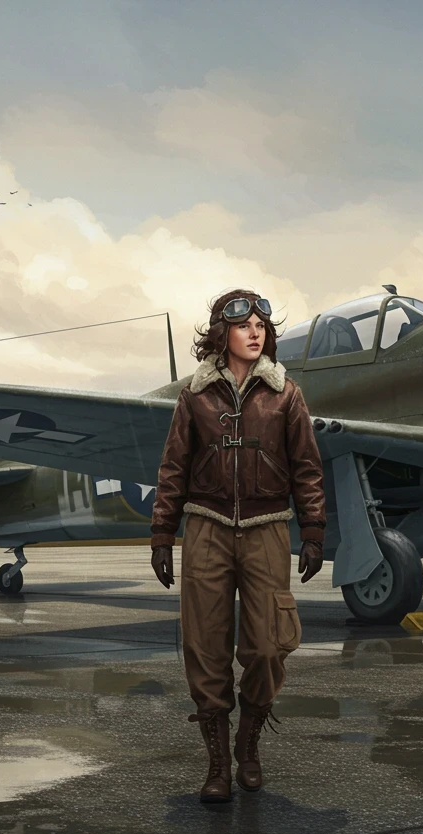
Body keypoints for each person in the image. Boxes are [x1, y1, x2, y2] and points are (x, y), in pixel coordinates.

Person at [150, 287, 326, 804]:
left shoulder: (286, 394)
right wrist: (163, 533)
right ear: (221, 333)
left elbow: (308, 468)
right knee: (204, 647)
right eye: (243, 324)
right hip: (204, 527)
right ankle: (219, 764)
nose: (255, 332)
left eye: (261, 325)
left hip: (268, 527)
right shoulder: (195, 396)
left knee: (270, 644)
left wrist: (312, 530)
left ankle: (249, 743)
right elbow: (173, 468)